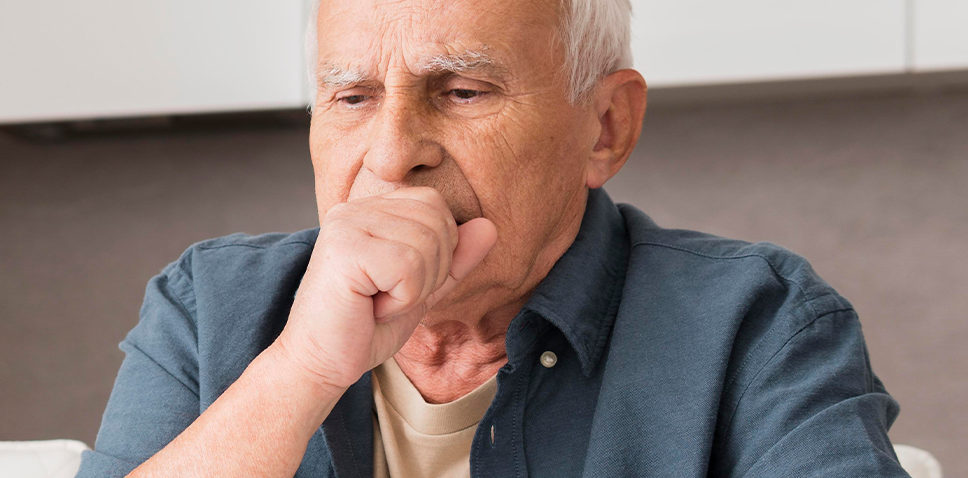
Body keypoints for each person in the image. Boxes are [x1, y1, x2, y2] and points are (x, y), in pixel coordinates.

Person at [77, 0, 908, 476]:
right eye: (353, 98)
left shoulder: (760, 322)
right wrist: (305, 368)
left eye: (464, 91)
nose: (392, 156)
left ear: (606, 127)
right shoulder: (208, 304)